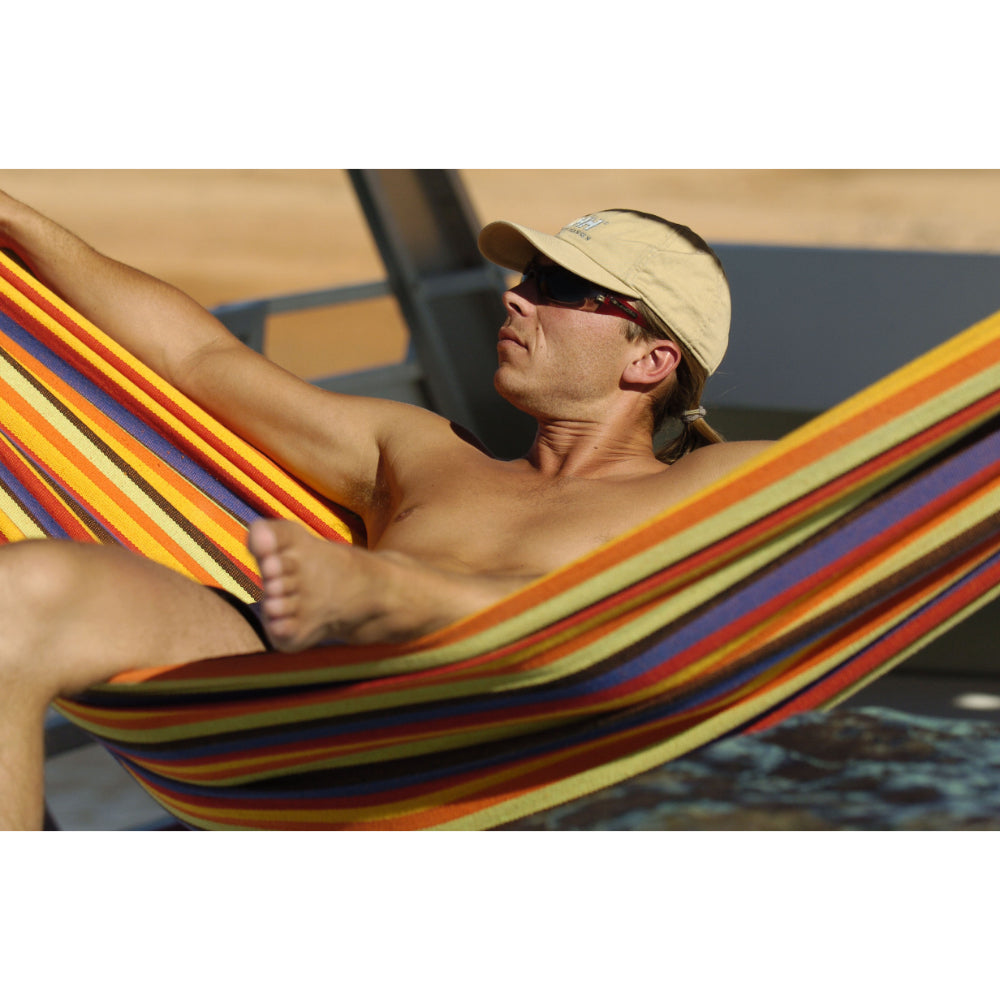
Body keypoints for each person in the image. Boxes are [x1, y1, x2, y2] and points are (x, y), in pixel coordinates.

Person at [0, 195, 769, 829]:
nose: (515, 297)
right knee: (19, 595)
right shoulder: (422, 452)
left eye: (560, 289)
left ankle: (387, 595)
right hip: (305, 710)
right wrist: (20, 225)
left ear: (652, 359)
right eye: (527, 276)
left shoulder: (708, 485)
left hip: (494, 740)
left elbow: (848, 505)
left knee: (573, 616)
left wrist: (386, 593)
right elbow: (204, 360)